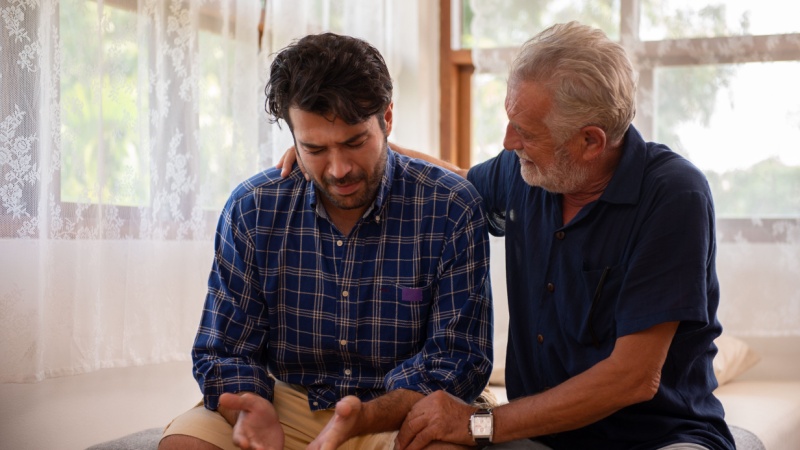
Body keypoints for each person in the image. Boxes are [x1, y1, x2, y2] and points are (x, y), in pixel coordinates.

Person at [344, 20, 733, 450]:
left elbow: (633, 378)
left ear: (590, 141)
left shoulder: (675, 195)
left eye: (525, 132)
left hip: (656, 437)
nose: (508, 142)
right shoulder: (526, 169)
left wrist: (481, 423)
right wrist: (352, 151)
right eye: (511, 122)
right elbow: (451, 184)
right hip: (539, 437)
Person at [159, 32, 493, 450]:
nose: (338, 169)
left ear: (387, 119)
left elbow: (458, 360)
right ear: (292, 137)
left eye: (355, 142)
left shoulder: (451, 207)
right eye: (314, 148)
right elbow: (225, 349)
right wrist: (249, 407)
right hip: (286, 400)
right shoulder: (252, 208)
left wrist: (360, 418)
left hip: (402, 407)